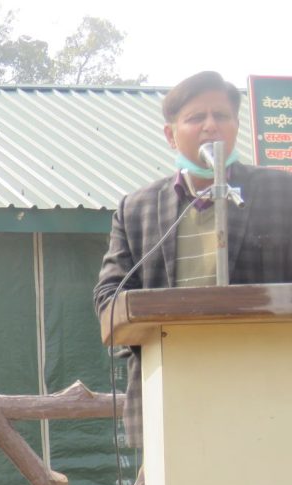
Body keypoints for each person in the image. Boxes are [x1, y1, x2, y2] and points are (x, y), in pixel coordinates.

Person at [93, 70, 292, 448]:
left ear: (236, 127)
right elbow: (108, 299)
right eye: (196, 117)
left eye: (222, 116)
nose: (210, 126)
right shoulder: (136, 209)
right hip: (168, 405)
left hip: (271, 400)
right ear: (171, 135)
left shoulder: (283, 193)